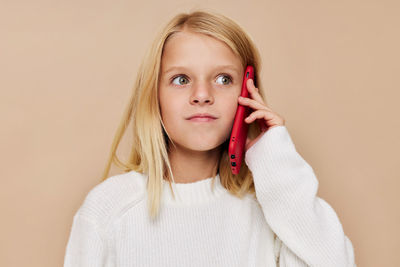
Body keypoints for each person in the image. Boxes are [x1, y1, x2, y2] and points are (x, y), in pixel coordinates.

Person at [63, 9, 356, 267]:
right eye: (181, 79)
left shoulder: (272, 210)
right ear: (155, 97)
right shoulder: (109, 209)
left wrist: (276, 160)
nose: (202, 95)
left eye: (223, 79)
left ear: (247, 94)